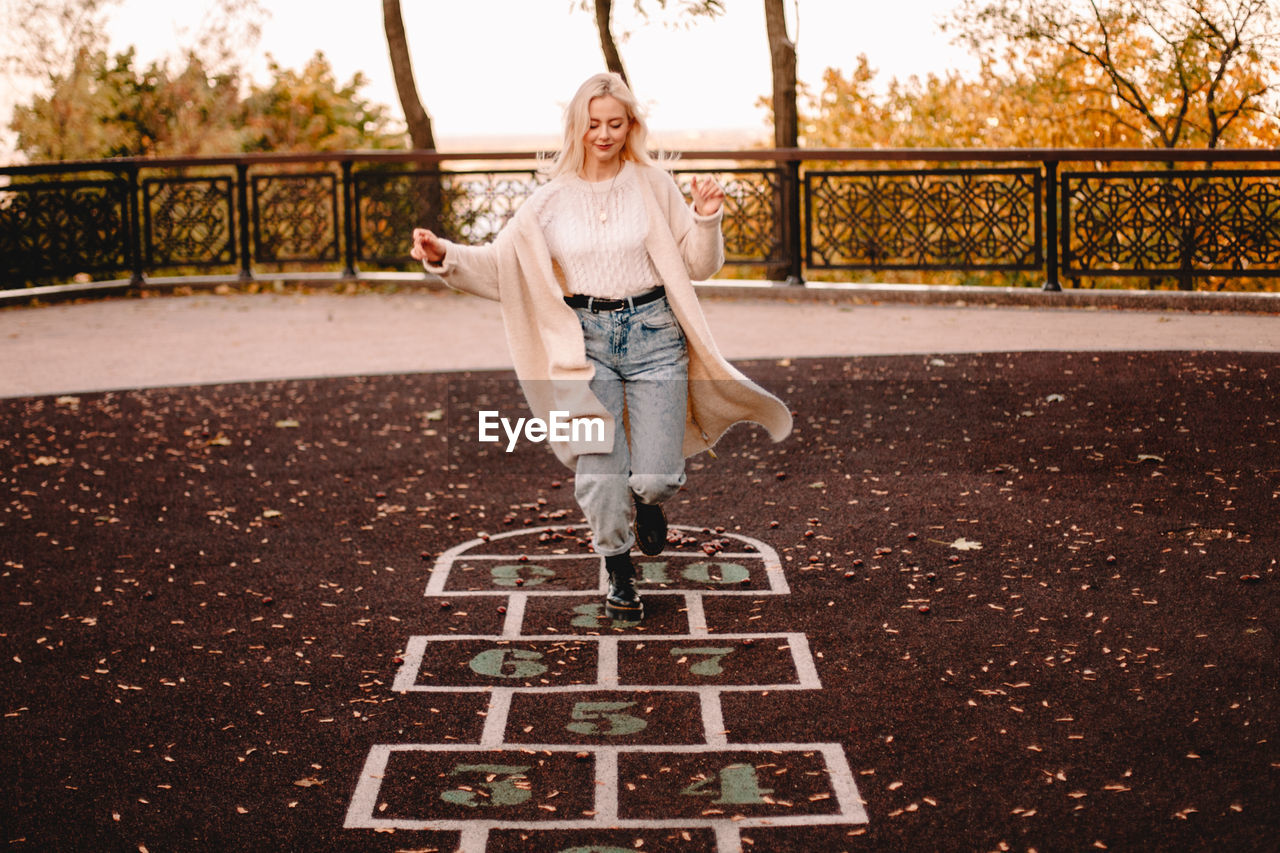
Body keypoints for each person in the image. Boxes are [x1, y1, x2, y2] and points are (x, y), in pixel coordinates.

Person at [411, 72, 790, 622]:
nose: (604, 134)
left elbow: (698, 265)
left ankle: (647, 502)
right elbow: (501, 268)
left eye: (615, 123)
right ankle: (617, 569)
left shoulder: (653, 184)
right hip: (584, 347)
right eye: (593, 124)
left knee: (657, 476)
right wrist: (444, 254)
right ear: (577, 127)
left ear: (630, 125)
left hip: (656, 336)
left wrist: (707, 217)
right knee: (599, 471)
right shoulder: (548, 200)